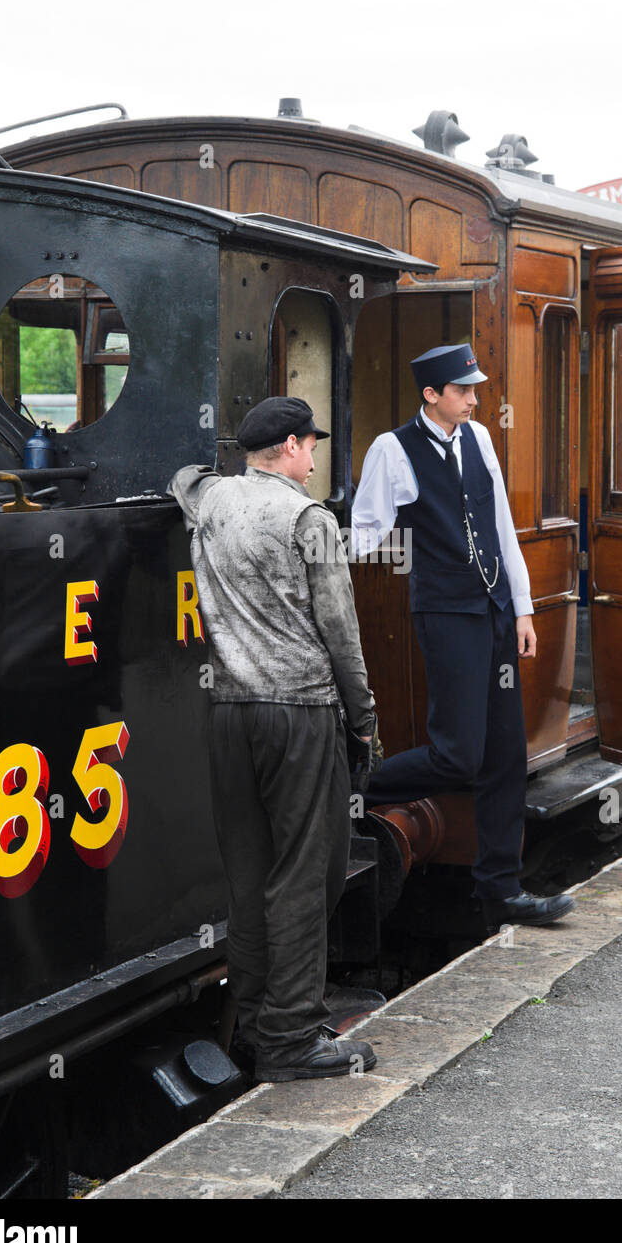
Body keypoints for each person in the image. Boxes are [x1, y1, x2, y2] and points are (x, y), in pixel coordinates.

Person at [169, 396, 377, 1082]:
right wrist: (365, 718)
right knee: (305, 874)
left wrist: (215, 476)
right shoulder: (307, 518)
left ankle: (254, 1022)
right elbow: (341, 635)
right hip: (300, 712)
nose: (315, 456)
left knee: (251, 874)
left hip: (229, 713)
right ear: (289, 446)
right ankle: (291, 1037)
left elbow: (184, 478)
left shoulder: (211, 501)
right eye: (310, 444)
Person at [352, 343, 574, 933]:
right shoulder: (392, 450)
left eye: (474, 389)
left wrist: (522, 610)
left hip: (497, 611)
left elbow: (501, 526)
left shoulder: (478, 439)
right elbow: (363, 535)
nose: (475, 399)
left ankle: (502, 892)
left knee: (506, 756)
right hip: (446, 614)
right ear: (431, 395)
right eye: (464, 390)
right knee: (459, 754)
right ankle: (353, 790)